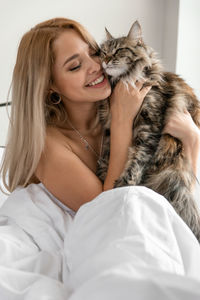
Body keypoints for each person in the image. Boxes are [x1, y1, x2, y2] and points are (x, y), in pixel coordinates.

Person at [1, 17, 200, 214]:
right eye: (75, 66)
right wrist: (122, 120)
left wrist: (192, 139)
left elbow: (177, 199)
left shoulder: (130, 101)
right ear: (48, 86)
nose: (97, 66)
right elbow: (108, 215)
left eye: (94, 53)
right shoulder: (47, 148)